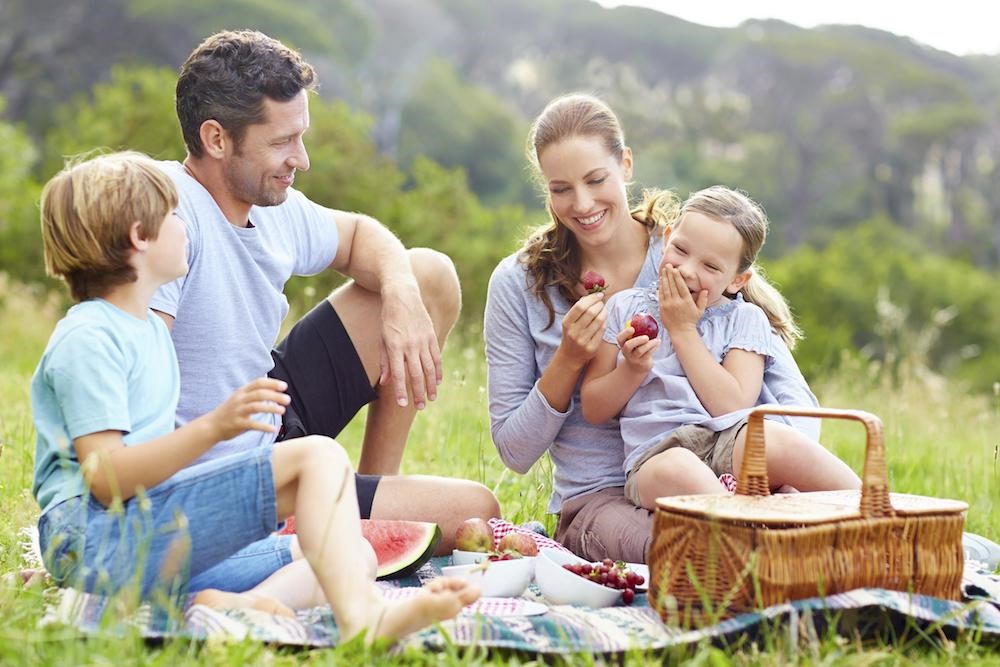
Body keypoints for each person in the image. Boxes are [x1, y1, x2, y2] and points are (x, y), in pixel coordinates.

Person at [31, 152, 479, 642]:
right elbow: (105, 479)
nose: (186, 229)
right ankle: (363, 622)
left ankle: (237, 605)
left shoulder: (146, 333)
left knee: (350, 553)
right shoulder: (90, 340)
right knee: (317, 457)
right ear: (140, 238)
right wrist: (215, 428)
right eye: (174, 219)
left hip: (147, 538)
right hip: (99, 539)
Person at [147, 30, 499, 594]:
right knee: (472, 508)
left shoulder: (270, 201)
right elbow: (133, 391)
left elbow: (362, 235)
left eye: (301, 137)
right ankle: (321, 520)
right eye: (283, 141)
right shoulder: (164, 213)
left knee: (426, 273)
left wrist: (404, 302)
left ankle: (366, 492)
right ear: (216, 138)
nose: (302, 160)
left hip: (271, 416)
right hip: (218, 478)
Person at [483, 94, 820, 563]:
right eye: (560, 188)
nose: (581, 204)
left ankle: (822, 540)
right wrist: (568, 361)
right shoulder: (519, 284)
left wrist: (763, 478)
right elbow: (514, 452)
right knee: (698, 551)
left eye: (596, 179)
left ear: (625, 164)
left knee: (755, 532)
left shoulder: (690, 255)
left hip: (718, 475)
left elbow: (794, 406)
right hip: (598, 499)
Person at [580, 186, 862, 509]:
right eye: (681, 250)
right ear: (667, 239)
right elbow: (594, 408)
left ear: (736, 280)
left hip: (727, 439)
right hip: (657, 453)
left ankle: (881, 512)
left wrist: (684, 331)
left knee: (777, 440)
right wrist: (631, 370)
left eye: (710, 267)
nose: (687, 270)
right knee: (681, 470)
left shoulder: (745, 318)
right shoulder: (624, 308)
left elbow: (731, 406)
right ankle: (750, 528)